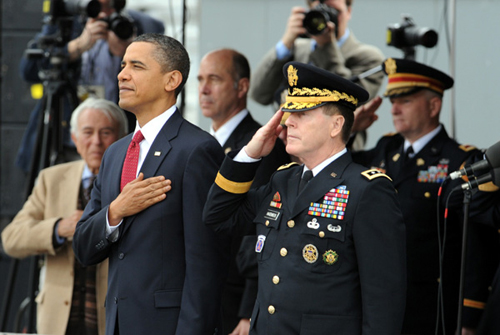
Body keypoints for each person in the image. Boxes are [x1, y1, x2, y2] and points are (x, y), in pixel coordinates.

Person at [203, 61, 407, 334]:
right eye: (289, 112)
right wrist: (249, 155)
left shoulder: (367, 190)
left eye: (304, 112)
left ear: (336, 125)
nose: (289, 121)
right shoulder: (282, 179)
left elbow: (383, 298)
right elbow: (218, 217)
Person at [72, 33, 227, 335]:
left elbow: (206, 262)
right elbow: (83, 248)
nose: (122, 74)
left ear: (172, 80)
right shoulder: (115, 153)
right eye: (122, 65)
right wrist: (115, 211)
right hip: (117, 323)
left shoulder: (197, 150)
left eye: (137, 66)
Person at [351, 57, 491, 334]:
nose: (395, 109)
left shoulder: (460, 161)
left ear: (433, 105)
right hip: (377, 305)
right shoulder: (384, 148)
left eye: (405, 100)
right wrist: (348, 129)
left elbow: (475, 243)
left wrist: (470, 313)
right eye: (392, 101)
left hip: (432, 308)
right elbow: (335, 171)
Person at [1, 97, 129, 335]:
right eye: (88, 132)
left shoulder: (131, 184)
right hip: (57, 320)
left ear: (123, 138)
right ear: (74, 139)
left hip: (110, 317)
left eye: (106, 132)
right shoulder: (52, 179)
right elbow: (11, 239)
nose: (96, 142)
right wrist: (58, 228)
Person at [198, 48, 290, 335]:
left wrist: (248, 310)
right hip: (204, 290)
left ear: (242, 87)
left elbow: (260, 231)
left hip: (235, 299)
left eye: (214, 79)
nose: (204, 89)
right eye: (200, 79)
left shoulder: (262, 145)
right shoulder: (201, 144)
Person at [16, 0, 164, 173]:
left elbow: (159, 84)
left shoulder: (138, 26)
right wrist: (75, 47)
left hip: (117, 140)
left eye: (109, 6)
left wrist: (129, 55)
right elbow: (28, 70)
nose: (102, 14)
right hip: (65, 138)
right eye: (95, 7)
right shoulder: (67, 23)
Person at [249, 0, 384, 108]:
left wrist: (326, 46)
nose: (328, 19)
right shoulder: (297, 49)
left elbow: (348, 101)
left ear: (349, 11)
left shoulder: (370, 57)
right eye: (319, 12)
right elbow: (259, 95)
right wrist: (285, 43)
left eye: (334, 11)